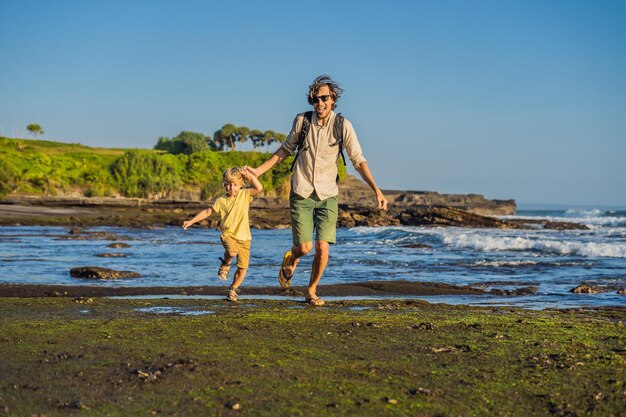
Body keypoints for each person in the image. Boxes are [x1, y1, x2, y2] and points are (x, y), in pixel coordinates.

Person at [246, 75, 388, 306]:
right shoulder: (302, 121)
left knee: (322, 247)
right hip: (301, 190)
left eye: (324, 98)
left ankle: (311, 291)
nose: (319, 103)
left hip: (328, 194)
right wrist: (258, 171)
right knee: (305, 247)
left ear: (333, 99)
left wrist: (377, 190)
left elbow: (358, 160)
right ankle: (291, 259)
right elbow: (285, 150)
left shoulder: (343, 125)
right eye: (315, 99)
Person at [182, 167, 263, 301]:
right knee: (232, 252)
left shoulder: (245, 195)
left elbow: (259, 187)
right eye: (229, 184)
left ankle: (233, 289)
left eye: (235, 185)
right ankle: (226, 263)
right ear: (225, 184)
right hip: (228, 234)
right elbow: (208, 212)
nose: (232, 188)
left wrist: (248, 175)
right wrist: (191, 221)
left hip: (245, 238)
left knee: (243, 268)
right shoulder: (221, 201)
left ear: (241, 184)